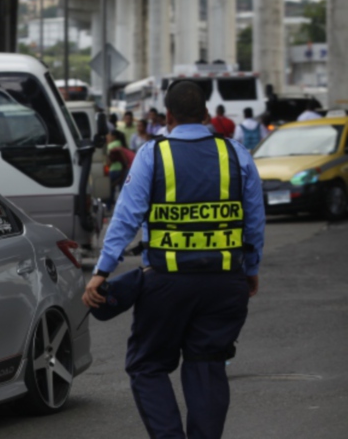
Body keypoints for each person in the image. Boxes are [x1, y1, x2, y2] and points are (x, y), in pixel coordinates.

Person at [83, 81, 265, 439]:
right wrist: (251, 269)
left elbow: (125, 218)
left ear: (167, 116)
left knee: (148, 365)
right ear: (208, 115)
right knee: (208, 365)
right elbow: (254, 221)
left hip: (166, 284)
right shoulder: (237, 154)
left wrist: (101, 272)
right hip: (226, 282)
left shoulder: (153, 154)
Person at [105, 129, 130, 208]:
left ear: (114, 136)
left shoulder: (111, 145)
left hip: (113, 169)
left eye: (109, 135)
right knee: (121, 189)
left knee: (109, 188)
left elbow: (108, 159)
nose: (108, 137)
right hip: (121, 169)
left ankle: (109, 206)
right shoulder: (120, 144)